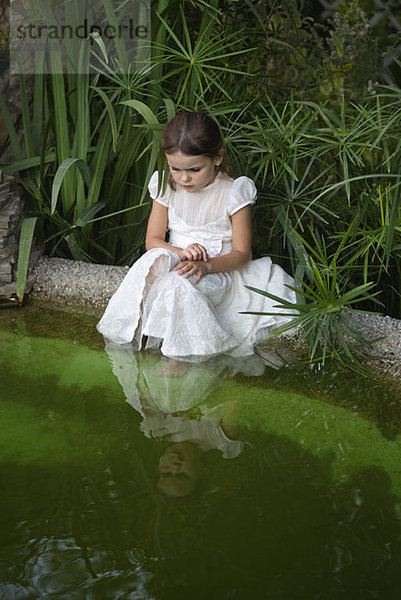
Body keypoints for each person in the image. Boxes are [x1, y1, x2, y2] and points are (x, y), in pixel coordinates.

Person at [97, 111, 296, 361]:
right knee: (152, 261)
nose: (184, 178)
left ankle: (182, 357)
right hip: (176, 258)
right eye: (175, 169)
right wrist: (182, 252)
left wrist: (206, 265)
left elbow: (242, 254)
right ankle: (134, 335)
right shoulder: (164, 185)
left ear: (217, 157)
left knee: (177, 283)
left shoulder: (234, 191)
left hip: (218, 271)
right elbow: (153, 241)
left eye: (194, 169)